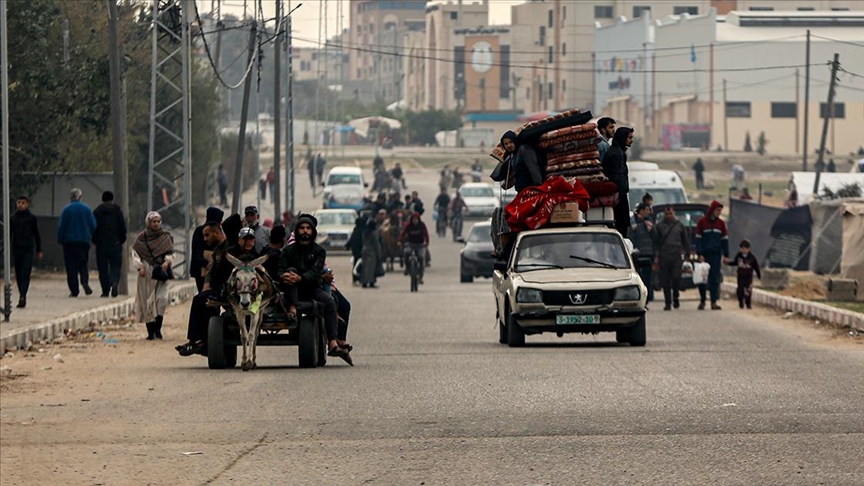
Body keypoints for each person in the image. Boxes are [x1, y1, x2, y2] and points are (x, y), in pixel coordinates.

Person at [278, 214, 351, 363]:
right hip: (292, 290)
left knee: (330, 302)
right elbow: (280, 270)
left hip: (312, 288)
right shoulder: (288, 251)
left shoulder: (319, 251)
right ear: (297, 231)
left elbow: (316, 272)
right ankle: (292, 309)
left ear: (312, 231)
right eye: (302, 228)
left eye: (308, 228)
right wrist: (284, 276)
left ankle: (332, 343)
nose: (305, 231)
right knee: (291, 270)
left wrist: (301, 278)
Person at [177, 225, 261, 356]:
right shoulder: (230, 254)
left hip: (252, 296)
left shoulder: (257, 256)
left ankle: (204, 341)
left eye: (251, 239)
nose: (248, 242)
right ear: (239, 240)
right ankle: (196, 340)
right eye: (246, 239)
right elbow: (219, 274)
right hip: (227, 292)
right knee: (200, 299)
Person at [132, 212, 174, 340]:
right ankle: (151, 332)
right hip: (146, 272)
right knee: (146, 301)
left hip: (161, 272)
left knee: (161, 299)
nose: (156, 224)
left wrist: (167, 261)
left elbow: (170, 252)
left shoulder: (166, 236)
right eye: (153, 221)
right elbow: (135, 253)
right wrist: (139, 267)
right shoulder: (142, 238)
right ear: (148, 223)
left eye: (158, 221)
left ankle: (158, 329)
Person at [57, 188, 97, 298]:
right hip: (83, 241)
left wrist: (60, 239)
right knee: (83, 264)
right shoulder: (87, 209)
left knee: (71, 266)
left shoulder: (66, 210)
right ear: (80, 197)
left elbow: (61, 227)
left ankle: (74, 290)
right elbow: (93, 225)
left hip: (69, 242)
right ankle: (84, 282)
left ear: (71, 197)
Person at [695, 200, 729, 310]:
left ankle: (713, 302)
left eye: (720, 210)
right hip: (704, 255)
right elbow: (698, 240)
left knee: (714, 279)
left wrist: (726, 254)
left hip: (716, 255)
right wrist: (699, 253)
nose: (719, 212)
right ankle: (703, 300)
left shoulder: (721, 224)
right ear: (712, 210)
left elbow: (724, 240)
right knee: (702, 279)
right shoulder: (702, 222)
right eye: (718, 210)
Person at [653, 206, 689, 311]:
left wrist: (687, 253)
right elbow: (656, 242)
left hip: (676, 254)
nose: (669, 216)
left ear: (674, 213)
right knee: (665, 280)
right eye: (667, 214)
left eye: (671, 213)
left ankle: (676, 296)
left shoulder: (680, 225)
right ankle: (668, 302)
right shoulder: (659, 226)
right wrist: (656, 256)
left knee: (676, 277)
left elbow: (685, 240)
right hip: (664, 255)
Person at [92, 191, 127, 298]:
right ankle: (114, 281)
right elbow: (123, 228)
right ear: (112, 199)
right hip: (115, 243)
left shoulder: (97, 212)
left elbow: (94, 228)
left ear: (102, 199)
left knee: (102, 268)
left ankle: (105, 290)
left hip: (101, 244)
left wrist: (95, 240)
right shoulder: (118, 211)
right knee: (116, 265)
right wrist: (121, 240)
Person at [602, 126, 634, 237]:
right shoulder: (617, 154)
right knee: (621, 227)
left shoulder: (616, 151)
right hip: (619, 196)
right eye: (629, 137)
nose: (631, 140)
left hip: (617, 194)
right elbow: (618, 176)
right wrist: (622, 195)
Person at [10, 196, 42, 308]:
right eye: (19, 202)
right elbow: (9, 234)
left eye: (23, 203)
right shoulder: (13, 218)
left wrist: (39, 249)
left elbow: (36, 234)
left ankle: (23, 295)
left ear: (27, 204)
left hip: (28, 248)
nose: (21, 205)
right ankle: (21, 294)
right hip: (17, 248)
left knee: (25, 272)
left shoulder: (32, 218)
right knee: (18, 273)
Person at [191, 207, 224, 292]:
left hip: (213, 270)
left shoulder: (216, 232)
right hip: (201, 270)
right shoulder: (201, 231)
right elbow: (196, 252)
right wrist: (206, 263)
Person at [630, 203, 655, 302]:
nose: (648, 212)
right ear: (641, 210)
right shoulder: (633, 220)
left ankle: (648, 297)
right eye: (647, 210)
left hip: (648, 252)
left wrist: (651, 229)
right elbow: (630, 235)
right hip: (637, 253)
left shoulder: (650, 220)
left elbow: (656, 237)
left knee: (648, 276)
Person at [728, 239, 761, 309]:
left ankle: (748, 304)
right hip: (741, 276)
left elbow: (756, 266)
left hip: (749, 276)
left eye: (744, 248)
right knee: (740, 290)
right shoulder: (739, 256)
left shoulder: (752, 257)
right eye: (742, 248)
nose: (743, 250)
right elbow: (735, 263)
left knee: (748, 291)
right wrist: (728, 263)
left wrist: (758, 275)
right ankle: (741, 301)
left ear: (748, 249)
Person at [398, 213, 429, 284]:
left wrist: (427, 242)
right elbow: (403, 233)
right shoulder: (409, 226)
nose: (415, 221)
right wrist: (400, 241)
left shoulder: (422, 225)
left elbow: (426, 234)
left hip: (420, 245)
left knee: (421, 258)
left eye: (416, 219)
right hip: (410, 244)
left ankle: (420, 277)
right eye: (414, 219)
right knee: (406, 253)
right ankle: (407, 268)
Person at [360, 219, 382, 288]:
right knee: (371, 268)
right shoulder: (373, 233)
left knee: (365, 267)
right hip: (371, 251)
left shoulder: (365, 232)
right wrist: (379, 254)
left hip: (364, 250)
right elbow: (376, 244)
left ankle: (364, 282)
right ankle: (370, 282)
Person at [345, 217, 365, 285]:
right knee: (360, 265)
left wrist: (348, 246)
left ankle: (356, 278)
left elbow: (352, 239)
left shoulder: (356, 229)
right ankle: (358, 278)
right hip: (360, 251)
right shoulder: (362, 230)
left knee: (356, 264)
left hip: (355, 251)